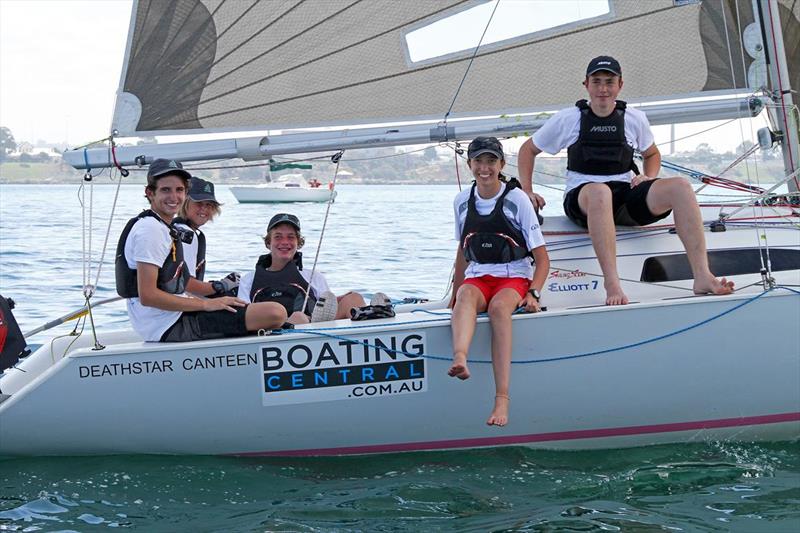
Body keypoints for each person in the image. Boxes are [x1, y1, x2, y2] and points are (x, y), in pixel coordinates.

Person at [517, 55, 734, 305]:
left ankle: (702, 276)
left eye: (609, 82)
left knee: (681, 187)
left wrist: (648, 177)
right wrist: (527, 190)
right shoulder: (569, 118)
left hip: (624, 195)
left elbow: (651, 153)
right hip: (583, 198)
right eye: (596, 82)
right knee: (600, 192)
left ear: (620, 85)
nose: (603, 89)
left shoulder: (634, 118)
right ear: (586, 84)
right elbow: (528, 150)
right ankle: (613, 284)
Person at [114, 158, 286, 342]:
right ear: (150, 193)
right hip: (168, 324)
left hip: (165, 320)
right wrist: (207, 304)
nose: (174, 197)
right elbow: (148, 296)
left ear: (185, 193)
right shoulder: (151, 230)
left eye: (179, 190)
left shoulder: (162, 227)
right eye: (165, 189)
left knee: (247, 305)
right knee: (275, 313)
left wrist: (213, 300)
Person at [449, 137, 550, 427]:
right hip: (478, 276)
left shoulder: (516, 199)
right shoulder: (461, 202)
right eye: (479, 161)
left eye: (491, 161)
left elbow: (542, 259)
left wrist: (534, 293)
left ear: (502, 165)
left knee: (498, 309)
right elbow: (462, 253)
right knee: (466, 297)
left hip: (514, 276)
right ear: (469, 165)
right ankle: (460, 358)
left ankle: (501, 398)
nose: (485, 168)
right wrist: (454, 296)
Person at [238, 213, 379, 324]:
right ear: (268, 243)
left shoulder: (313, 277)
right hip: (271, 334)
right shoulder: (249, 280)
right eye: (278, 237)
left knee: (354, 298)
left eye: (291, 237)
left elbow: (327, 308)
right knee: (299, 318)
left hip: (314, 329)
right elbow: (243, 318)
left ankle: (375, 323)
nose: (285, 242)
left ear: (298, 243)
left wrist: (339, 300)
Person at [174, 176, 240, 298]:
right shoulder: (187, 235)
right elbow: (186, 284)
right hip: (176, 309)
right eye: (199, 203)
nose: (204, 209)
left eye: (209, 205)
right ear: (184, 202)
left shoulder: (176, 227)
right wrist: (222, 285)